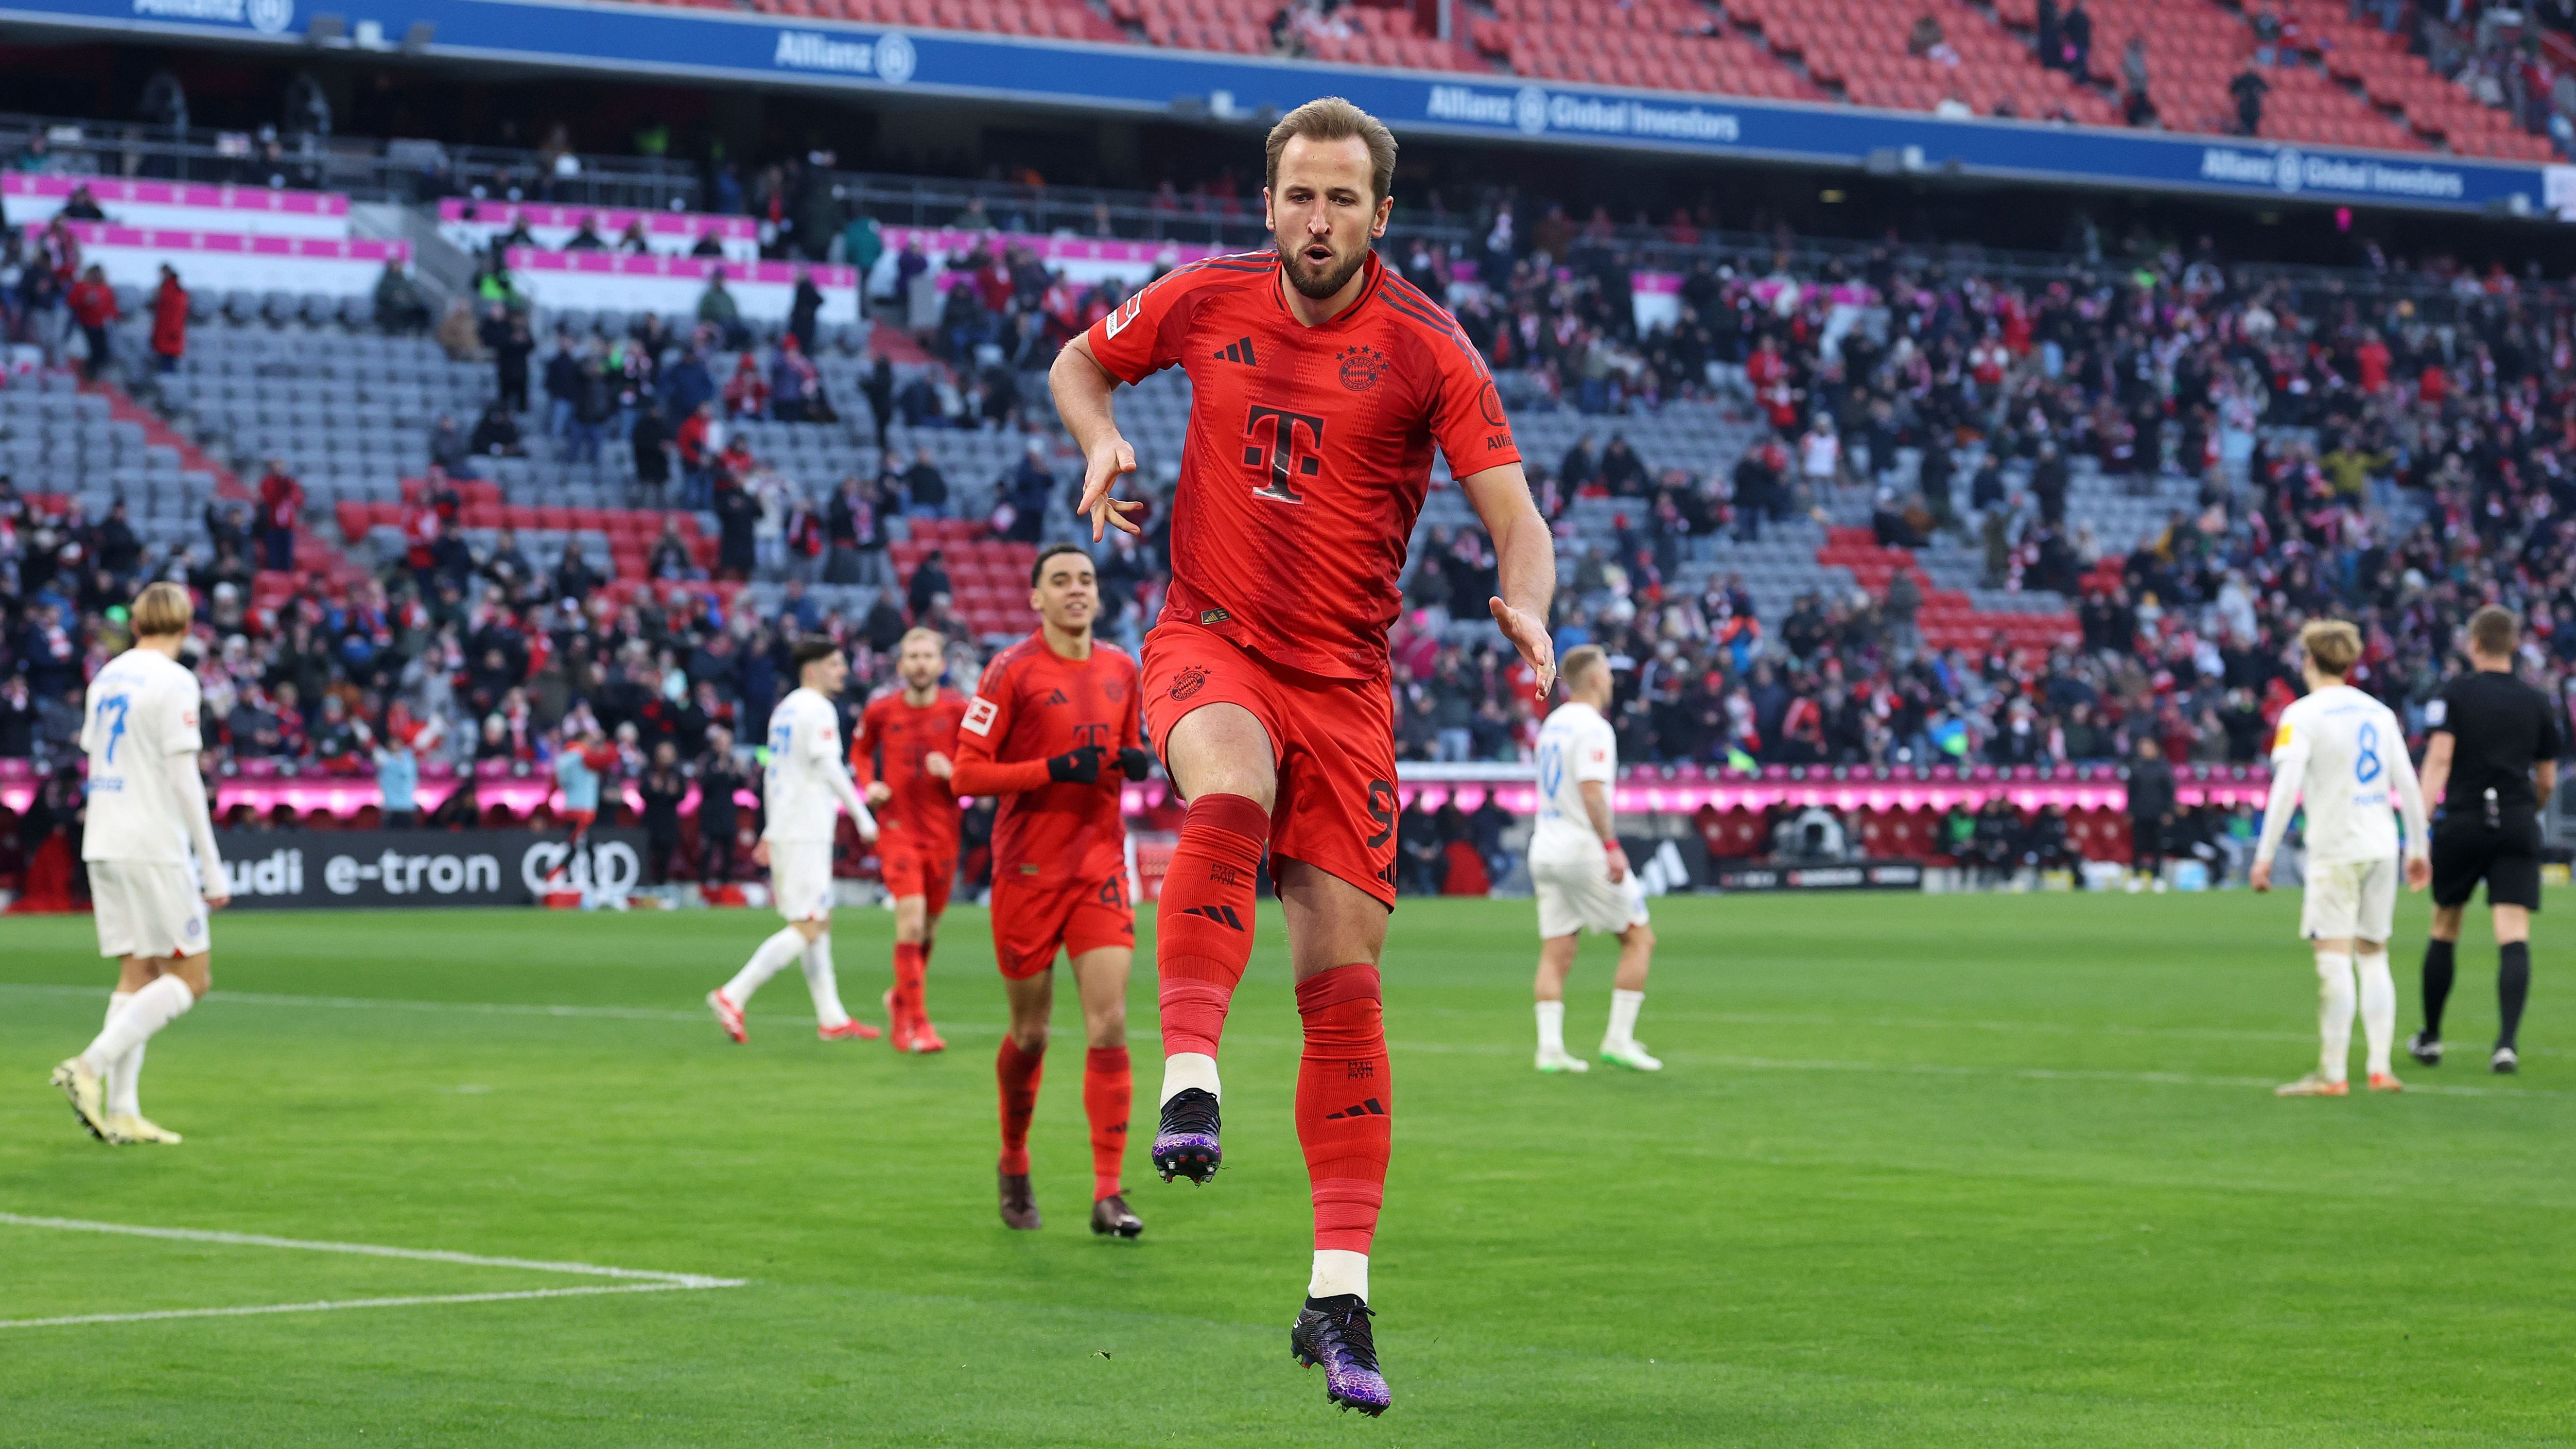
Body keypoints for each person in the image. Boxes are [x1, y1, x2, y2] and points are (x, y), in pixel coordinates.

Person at [1050, 96, 1555, 1416]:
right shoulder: (1203, 298)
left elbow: (1517, 517)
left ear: (1380, 215)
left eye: (1340, 199)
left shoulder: (1429, 348)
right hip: (1209, 639)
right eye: (1295, 195)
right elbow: (1075, 362)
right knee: (1229, 779)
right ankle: (1190, 1079)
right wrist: (1102, 436)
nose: (1314, 219)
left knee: (1343, 989)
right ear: (1264, 200)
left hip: (1348, 689)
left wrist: (1530, 605)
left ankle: (1335, 1298)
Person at [947, 545, 1151, 1240]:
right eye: (1060, 581)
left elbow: (1127, 749)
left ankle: (1108, 1192)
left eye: (1085, 580)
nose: (1075, 590)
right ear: (1035, 598)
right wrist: (1051, 768)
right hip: (1028, 872)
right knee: (1031, 1032)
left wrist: (1139, 759)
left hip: (1098, 867)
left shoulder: (1125, 666)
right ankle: (1012, 1157)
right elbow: (967, 775)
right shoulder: (1011, 669)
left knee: (1110, 1021)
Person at [51, 582, 228, 1146]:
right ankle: (89, 1066)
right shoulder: (175, 681)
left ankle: (123, 1110)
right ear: (186, 623)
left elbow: (92, 750)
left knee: (138, 973)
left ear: (136, 625)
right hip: (152, 839)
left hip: (103, 835)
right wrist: (212, 863)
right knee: (192, 977)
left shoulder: (108, 677)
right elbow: (184, 779)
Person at [2250, 621, 2430, 1097]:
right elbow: (2407, 784)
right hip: (2380, 845)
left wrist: (2264, 854)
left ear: (2308, 661)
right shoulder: (2380, 712)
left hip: (2335, 847)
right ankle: (2380, 1066)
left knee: (2333, 958)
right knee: (2374, 954)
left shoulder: (2302, 715)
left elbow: (2286, 786)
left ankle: (2332, 1074)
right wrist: (2418, 847)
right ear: (2349, 662)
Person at [2411, 606, 2563, 1074]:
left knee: (2445, 926)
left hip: (2464, 820)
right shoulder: (2537, 701)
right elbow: (2547, 778)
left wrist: (2419, 822)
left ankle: (2432, 1037)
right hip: (2516, 821)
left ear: (2474, 643)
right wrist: (2527, 811)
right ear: (2514, 644)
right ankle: (2506, 1044)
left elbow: (2439, 759)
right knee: (2513, 932)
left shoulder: (2453, 694)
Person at [705, 638, 880, 1043]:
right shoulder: (817, 708)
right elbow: (827, 765)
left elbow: (777, 773)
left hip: (791, 826)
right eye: (835, 664)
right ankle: (734, 994)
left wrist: (770, 828)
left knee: (816, 920)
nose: (842, 672)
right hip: (805, 828)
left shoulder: (785, 709)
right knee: (809, 923)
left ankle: (832, 1017)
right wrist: (862, 816)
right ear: (812, 669)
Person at [1526, 646, 1660, 1074]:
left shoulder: (1553, 724)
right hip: (1581, 849)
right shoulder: (1594, 728)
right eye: (1608, 671)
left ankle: (1550, 1049)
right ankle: (1619, 1039)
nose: (1613, 679)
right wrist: (1611, 845)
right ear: (1596, 679)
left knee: (1557, 949)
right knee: (1640, 938)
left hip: (1545, 847)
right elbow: (1591, 791)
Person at [850, 627, 967, 1053]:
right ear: (901, 665)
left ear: (940, 664)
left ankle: (899, 999)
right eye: (912, 656)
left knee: (929, 928)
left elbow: (981, 760)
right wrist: (868, 785)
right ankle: (918, 1023)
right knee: (912, 923)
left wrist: (953, 770)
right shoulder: (881, 710)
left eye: (927, 655)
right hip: (898, 830)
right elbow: (859, 752)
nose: (920, 663)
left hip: (943, 832)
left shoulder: (959, 709)